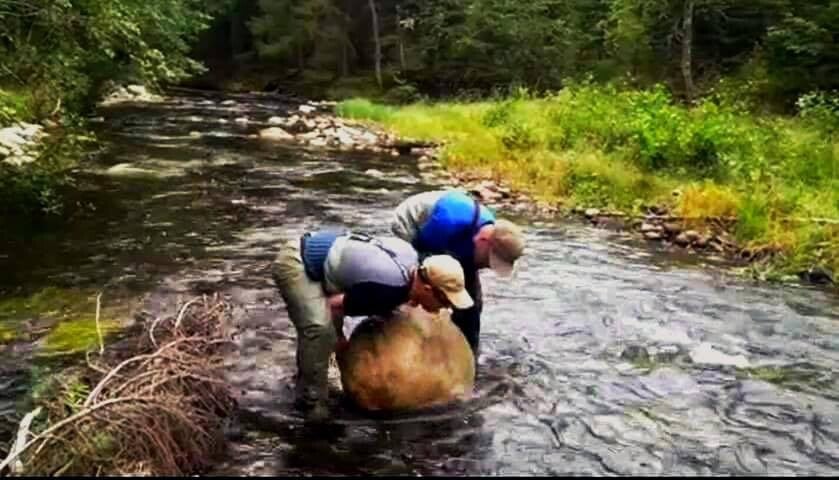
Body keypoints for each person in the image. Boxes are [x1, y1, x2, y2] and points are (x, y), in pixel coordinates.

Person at [271, 229, 474, 421]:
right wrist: (339, 340)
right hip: (298, 263)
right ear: (428, 289)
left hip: (323, 250)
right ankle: (311, 403)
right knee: (320, 330)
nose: (446, 308)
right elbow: (332, 306)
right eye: (445, 301)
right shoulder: (389, 289)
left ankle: (309, 371)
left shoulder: (413, 262)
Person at [390, 189, 525, 356]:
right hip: (414, 228)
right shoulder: (447, 222)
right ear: (484, 241)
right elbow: (425, 261)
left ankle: (470, 352)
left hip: (456, 239)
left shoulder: (490, 234)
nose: (487, 266)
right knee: (426, 284)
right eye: (489, 261)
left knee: (471, 302)